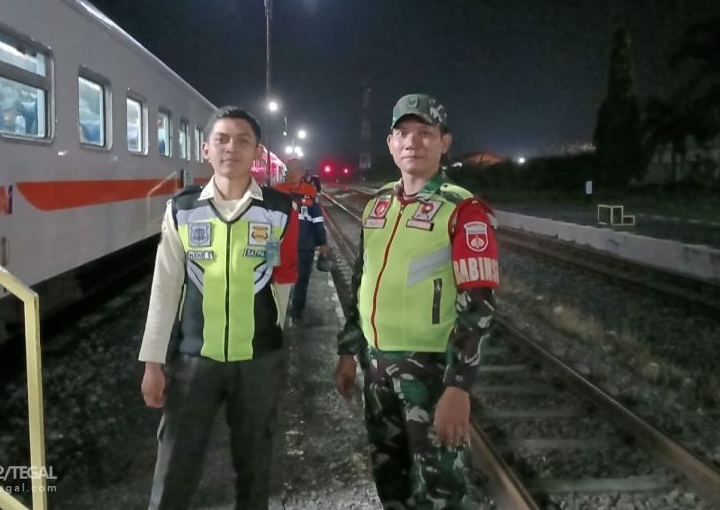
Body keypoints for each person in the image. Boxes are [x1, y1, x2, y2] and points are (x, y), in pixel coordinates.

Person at [334, 94, 499, 509]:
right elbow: (362, 282)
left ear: (445, 142)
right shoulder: (379, 204)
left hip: (430, 374)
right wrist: (349, 350)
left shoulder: (463, 211)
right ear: (390, 143)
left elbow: (478, 306)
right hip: (377, 371)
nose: (413, 142)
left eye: (426, 133)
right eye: (403, 133)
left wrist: (459, 387)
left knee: (438, 492)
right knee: (390, 483)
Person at [139, 106, 299, 510]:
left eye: (243, 140)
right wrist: (153, 362)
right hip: (195, 360)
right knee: (175, 463)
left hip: (259, 360)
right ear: (206, 149)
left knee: (255, 465)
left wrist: (277, 340)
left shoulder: (280, 210)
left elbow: (284, 280)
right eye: (222, 139)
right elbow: (165, 286)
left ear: (257, 152)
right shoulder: (182, 209)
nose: (232, 148)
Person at [275, 157, 330, 324]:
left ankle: (296, 313)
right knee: (275, 280)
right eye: (289, 170)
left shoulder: (310, 192)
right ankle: (276, 314)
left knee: (302, 280)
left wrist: (322, 242)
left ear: (302, 173)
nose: (292, 174)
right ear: (285, 172)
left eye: (296, 170)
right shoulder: (276, 191)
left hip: (304, 245)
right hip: (277, 246)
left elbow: (317, 220)